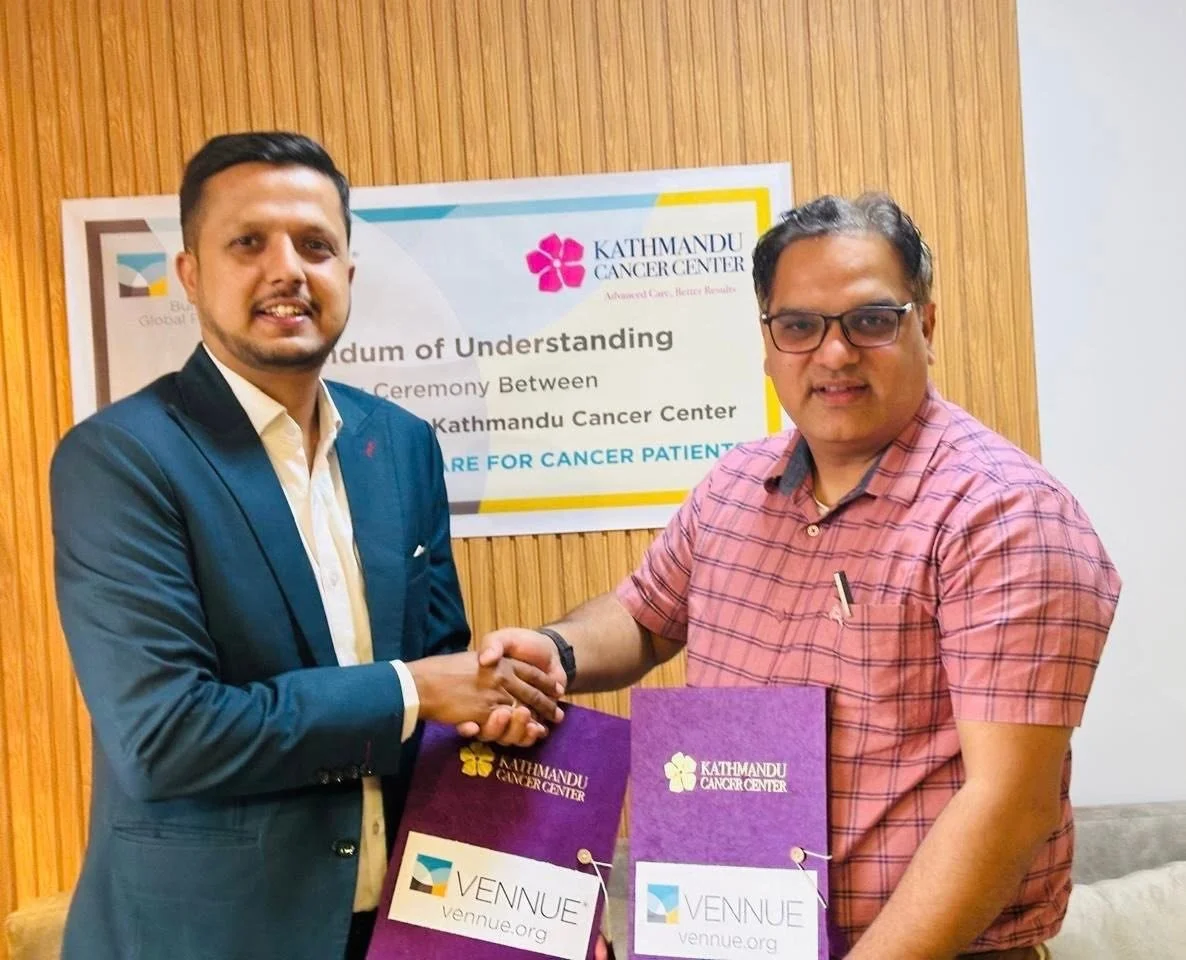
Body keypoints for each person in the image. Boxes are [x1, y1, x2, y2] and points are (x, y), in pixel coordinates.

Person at [474, 194, 1122, 960]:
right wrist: (560, 652)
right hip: (721, 937)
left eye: (871, 321)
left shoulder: (1005, 516)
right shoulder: (732, 485)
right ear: (770, 340)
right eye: (800, 326)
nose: (835, 353)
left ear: (927, 327)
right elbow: (645, 616)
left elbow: (1010, 808)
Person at [50, 131, 560, 960]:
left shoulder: (399, 444)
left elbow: (437, 670)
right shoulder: (122, 458)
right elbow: (164, 736)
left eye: (316, 245)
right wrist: (417, 692)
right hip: (205, 937)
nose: (287, 268)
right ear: (189, 273)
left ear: (347, 275)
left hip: (397, 923)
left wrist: (494, 710)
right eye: (248, 242)